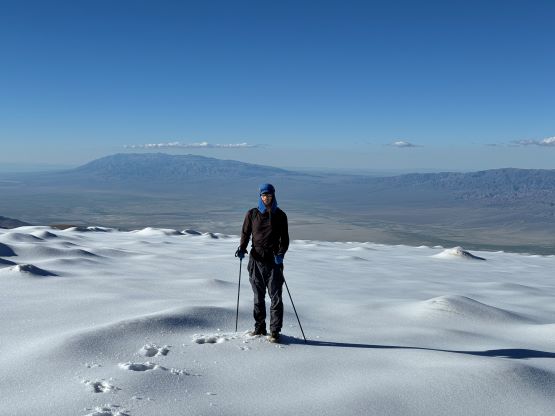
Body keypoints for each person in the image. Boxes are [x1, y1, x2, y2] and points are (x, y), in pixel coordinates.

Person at [235, 183, 289, 343]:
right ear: (260, 196)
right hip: (256, 260)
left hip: (274, 261)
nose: (266, 198)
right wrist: (242, 248)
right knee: (258, 297)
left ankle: (275, 332)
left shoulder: (280, 215)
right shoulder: (252, 214)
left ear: (273, 196)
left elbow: (285, 239)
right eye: (264, 195)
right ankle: (259, 327)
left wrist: (281, 254)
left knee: (276, 297)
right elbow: (245, 233)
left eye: (269, 195)